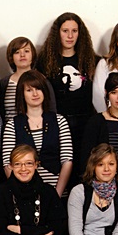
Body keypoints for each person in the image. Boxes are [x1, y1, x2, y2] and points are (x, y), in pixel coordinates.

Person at [37, 12, 99, 178]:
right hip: (56, 124)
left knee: (83, 168)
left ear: (80, 33)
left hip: (85, 123)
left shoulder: (93, 60)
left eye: (74, 31)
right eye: (65, 31)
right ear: (58, 33)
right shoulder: (44, 61)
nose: (70, 36)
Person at [1, 70, 73, 196]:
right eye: (29, 90)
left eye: (38, 89)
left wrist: (56, 195)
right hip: (24, 193)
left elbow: (67, 160)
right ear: (22, 94)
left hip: (57, 191)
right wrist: (21, 192)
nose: (35, 94)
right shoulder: (12, 125)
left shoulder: (59, 121)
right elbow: (7, 163)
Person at [1, 37, 56, 120]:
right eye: (17, 52)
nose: (22, 55)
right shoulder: (4, 83)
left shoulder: (43, 81)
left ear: (32, 55)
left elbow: (51, 111)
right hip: (9, 127)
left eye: (26, 51)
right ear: (11, 57)